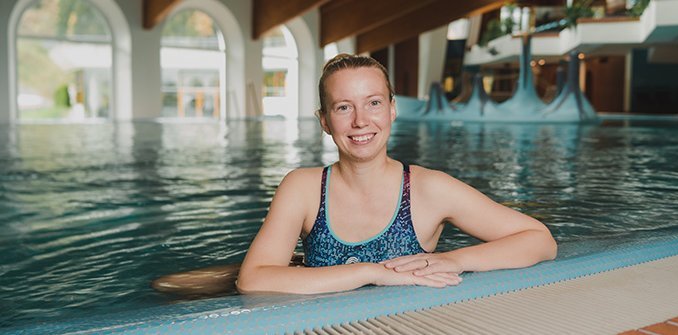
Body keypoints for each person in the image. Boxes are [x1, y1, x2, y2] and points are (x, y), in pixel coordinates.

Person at [152, 54, 557, 296]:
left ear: (393, 109)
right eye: (343, 107)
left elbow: (540, 240)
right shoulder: (305, 187)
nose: (361, 120)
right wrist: (372, 273)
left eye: (374, 103)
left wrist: (451, 259)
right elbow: (253, 281)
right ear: (324, 120)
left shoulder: (430, 189)